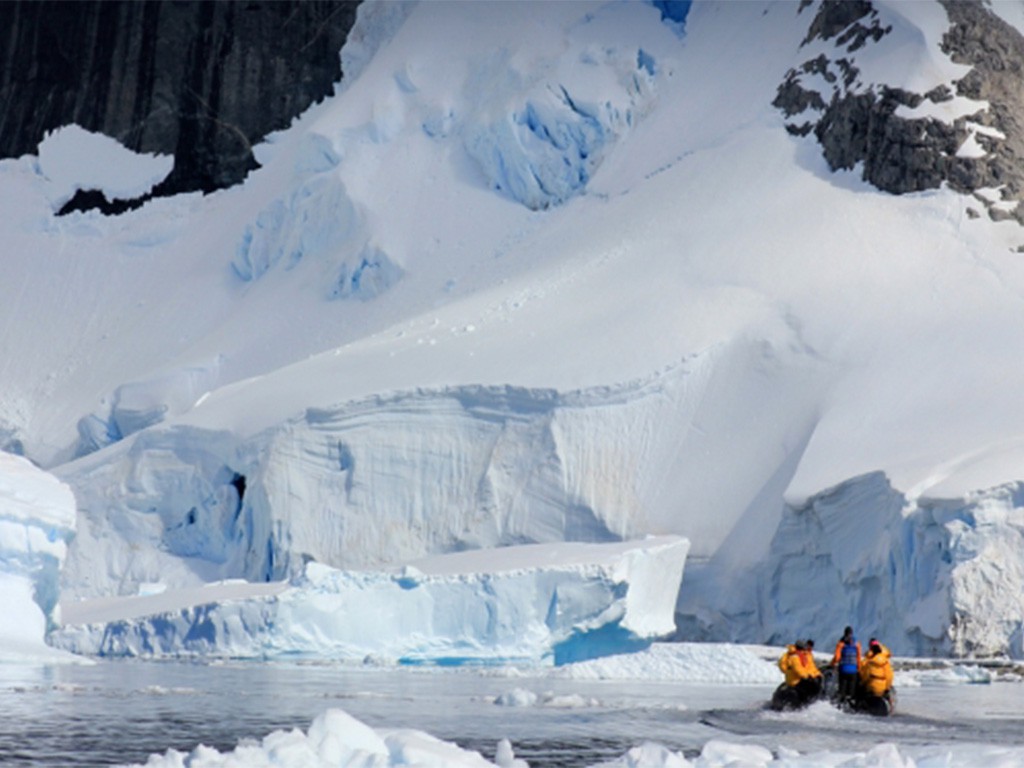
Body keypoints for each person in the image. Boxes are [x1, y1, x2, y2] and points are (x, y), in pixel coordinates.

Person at [776, 639, 823, 706]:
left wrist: (817, 674)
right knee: (810, 686)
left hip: (797, 678)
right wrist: (807, 676)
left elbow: (810, 667)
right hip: (795, 680)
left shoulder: (801, 656)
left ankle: (808, 702)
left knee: (814, 685)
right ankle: (805, 703)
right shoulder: (794, 656)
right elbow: (798, 669)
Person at [857, 638, 894, 714]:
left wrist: (862, 683)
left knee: (861, 692)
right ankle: (891, 708)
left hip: (872, 687)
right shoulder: (885, 661)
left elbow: (866, 675)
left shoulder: (870, 661)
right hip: (883, 687)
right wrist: (887, 687)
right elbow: (889, 676)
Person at [832, 626, 862, 705]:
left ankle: (841, 704)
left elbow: (837, 658)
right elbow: (858, 658)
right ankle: (851, 704)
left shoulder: (841, 644)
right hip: (853, 671)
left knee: (842, 690)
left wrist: (832, 664)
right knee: (851, 690)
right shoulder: (857, 644)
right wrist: (859, 668)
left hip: (843, 670)